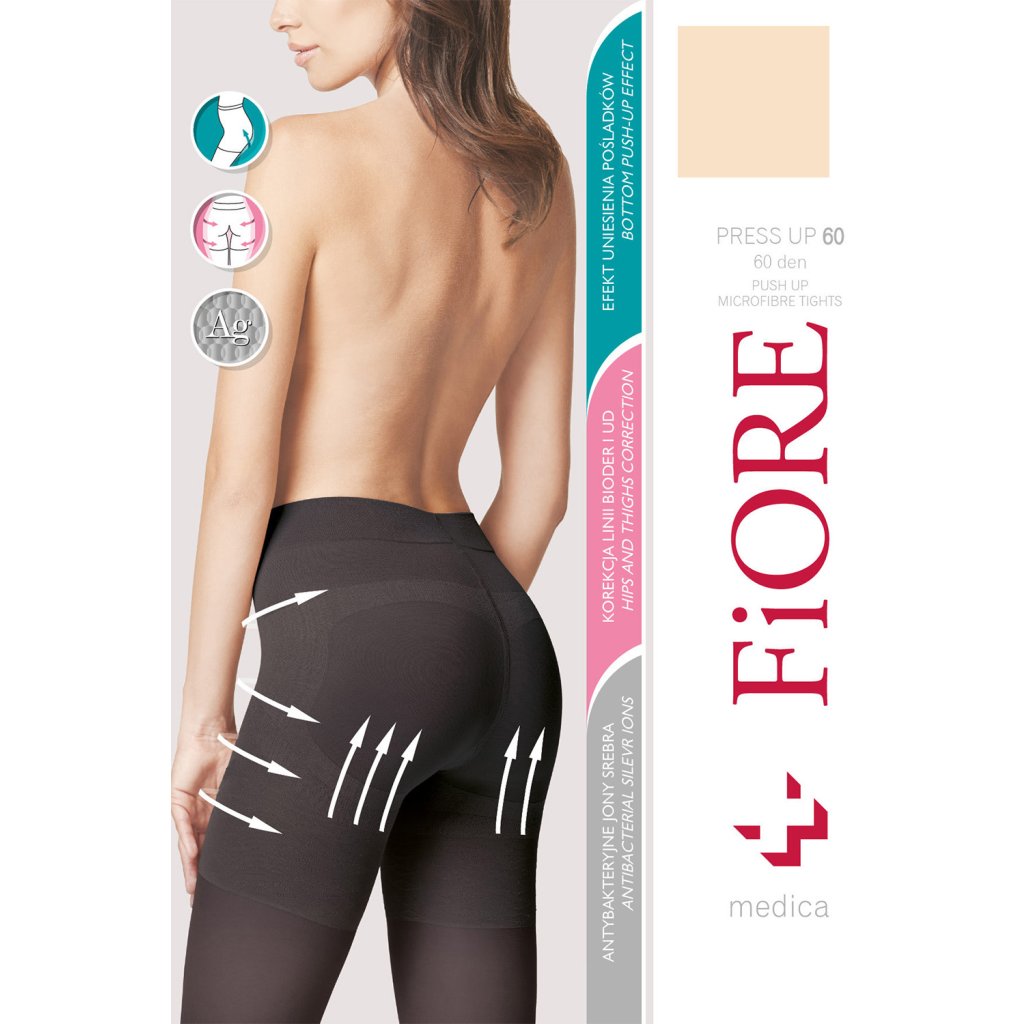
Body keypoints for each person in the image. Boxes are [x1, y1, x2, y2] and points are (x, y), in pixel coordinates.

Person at [171, 1, 575, 1020]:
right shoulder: (536, 177)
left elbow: (237, 475)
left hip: (348, 648)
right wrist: (443, 638)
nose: (281, 16)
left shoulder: (297, 160)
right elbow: (539, 492)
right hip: (507, 657)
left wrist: (204, 718)